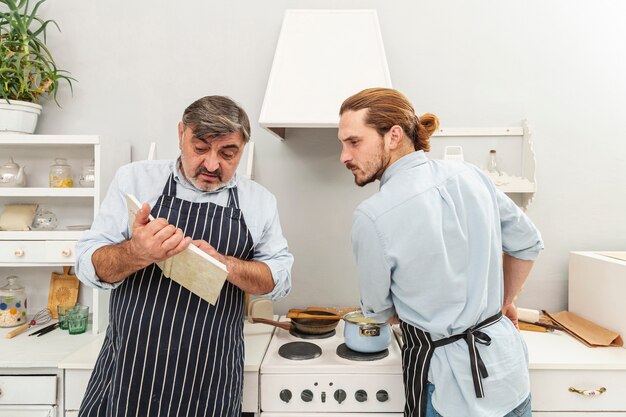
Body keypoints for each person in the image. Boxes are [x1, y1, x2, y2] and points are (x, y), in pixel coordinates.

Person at [75, 95, 293, 417]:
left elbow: (279, 280)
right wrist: (137, 252)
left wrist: (226, 265)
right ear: (181, 134)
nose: (212, 165)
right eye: (200, 148)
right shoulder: (134, 180)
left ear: (243, 148)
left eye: (228, 153)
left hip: (210, 378)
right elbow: (88, 265)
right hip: (130, 371)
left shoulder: (259, 202)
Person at [337, 88, 543, 417]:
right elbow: (528, 243)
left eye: (354, 142)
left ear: (393, 136)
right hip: (509, 375)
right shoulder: (472, 176)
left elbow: (377, 312)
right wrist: (502, 303)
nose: (344, 156)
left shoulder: (373, 215)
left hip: (449, 390)